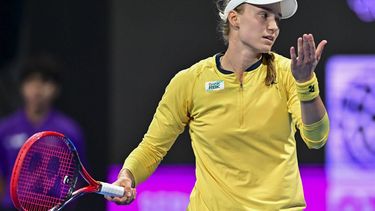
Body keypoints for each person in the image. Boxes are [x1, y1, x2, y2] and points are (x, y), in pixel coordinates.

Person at [106, 0, 330, 210]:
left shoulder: (291, 74)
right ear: (234, 19)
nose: (273, 27)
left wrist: (306, 86)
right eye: (263, 15)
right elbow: (153, 148)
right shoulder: (190, 81)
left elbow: (317, 138)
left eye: (277, 19)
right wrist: (127, 176)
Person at [0, 54, 85, 210]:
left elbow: (76, 179)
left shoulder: (70, 131)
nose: (37, 88)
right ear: (21, 87)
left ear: (56, 89)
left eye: (45, 81)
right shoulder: (5, 129)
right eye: (31, 81)